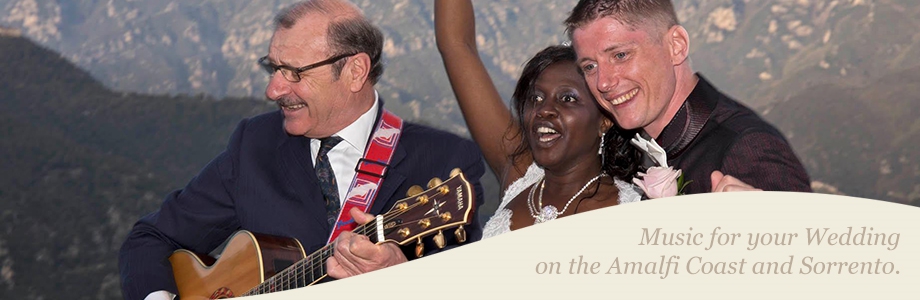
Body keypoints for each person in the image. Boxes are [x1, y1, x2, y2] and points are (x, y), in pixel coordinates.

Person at [118, 1, 485, 299]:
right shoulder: (255, 144)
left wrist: (400, 276)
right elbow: (151, 238)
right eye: (273, 68)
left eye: (294, 72)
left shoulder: (446, 161)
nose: (273, 90)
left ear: (356, 71)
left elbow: (470, 287)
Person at [435, 0, 642, 238]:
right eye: (536, 98)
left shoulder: (632, 211)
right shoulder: (519, 176)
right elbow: (456, 45)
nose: (544, 110)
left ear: (604, 120)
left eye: (567, 98)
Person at [564, 0, 811, 193]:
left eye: (620, 56)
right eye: (590, 67)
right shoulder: (631, 147)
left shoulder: (746, 148)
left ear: (676, 46)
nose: (604, 82)